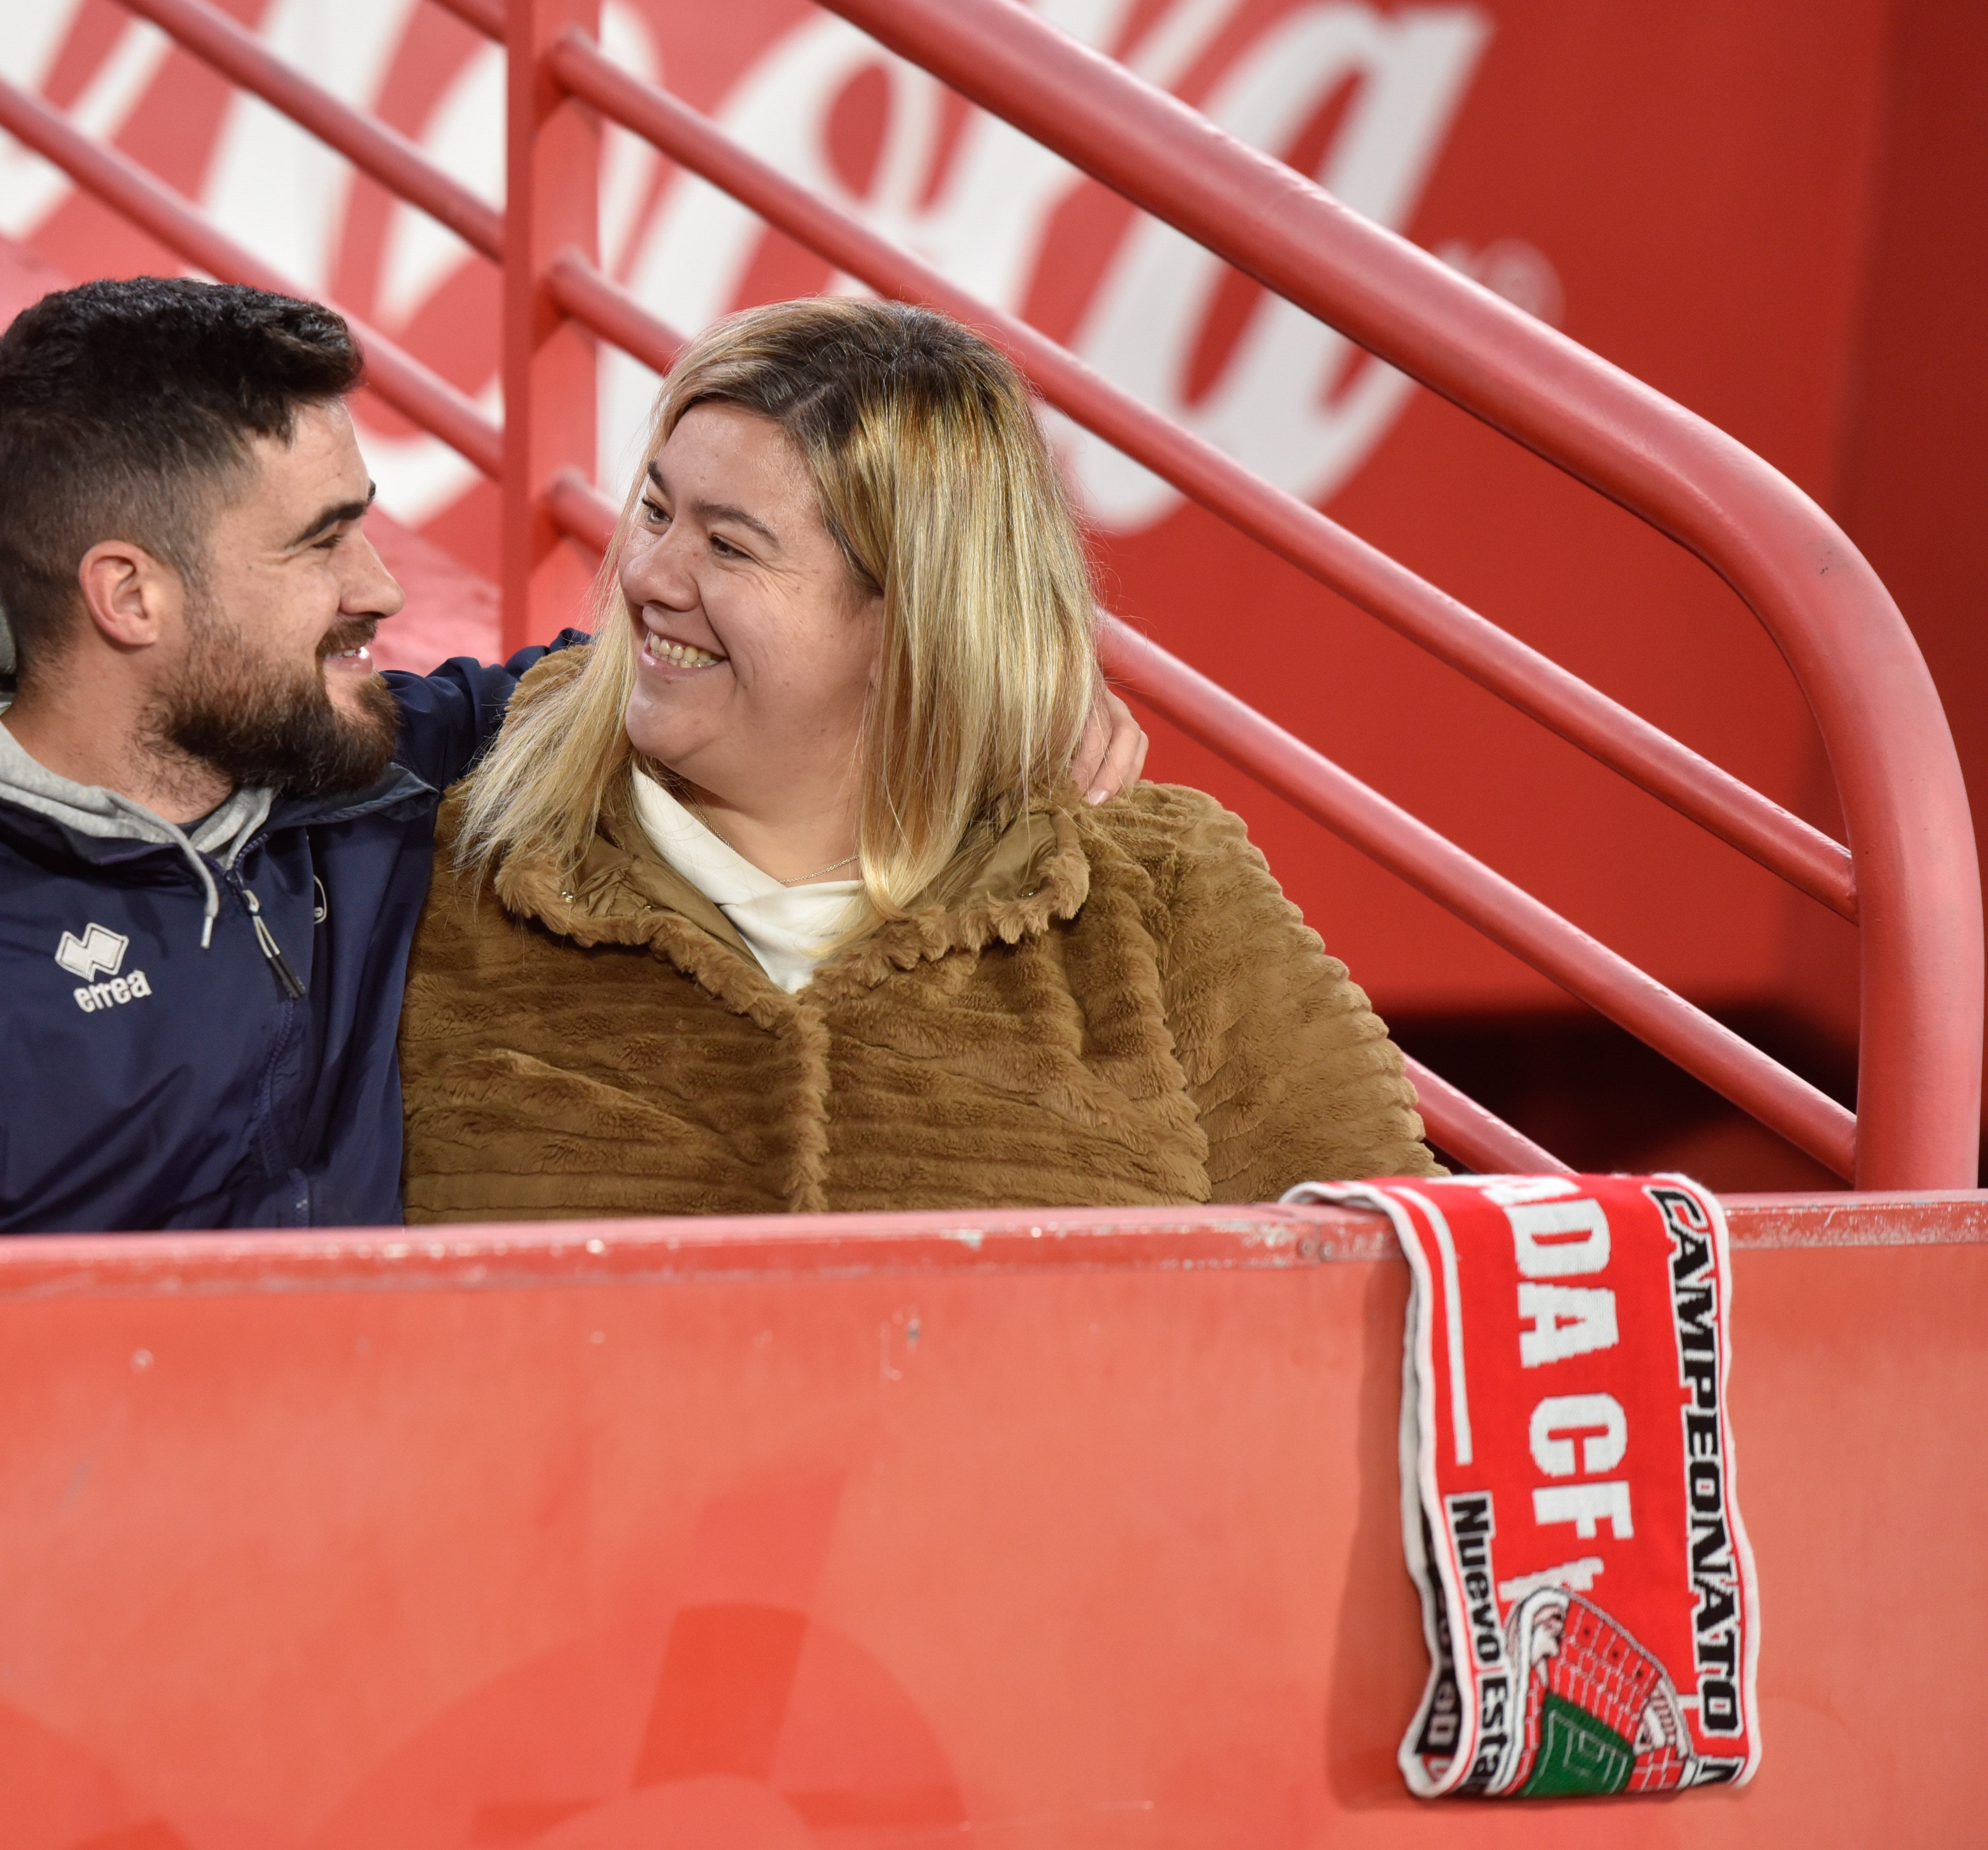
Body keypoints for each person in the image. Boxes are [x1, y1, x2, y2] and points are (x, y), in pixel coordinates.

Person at [0, 276, 1153, 1242]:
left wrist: (981, 677)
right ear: (128, 595)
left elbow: (656, 681)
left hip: (404, 1607)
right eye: (320, 542)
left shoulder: (365, 772)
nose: (380, 590)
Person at [399, 297, 1439, 1221]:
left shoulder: (1159, 896)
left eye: (728, 546)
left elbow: (1389, 1297)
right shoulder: (443, 861)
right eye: (656, 512)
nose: (646, 574)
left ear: (909, 620)